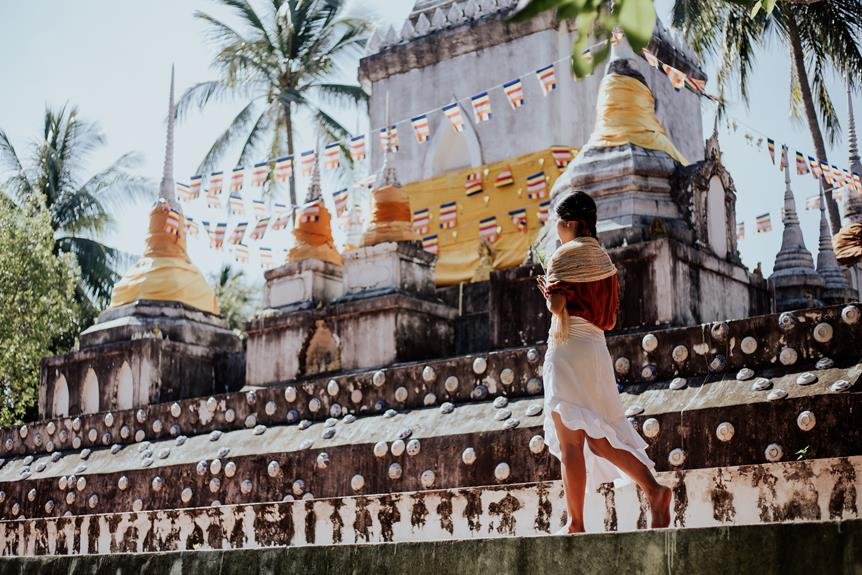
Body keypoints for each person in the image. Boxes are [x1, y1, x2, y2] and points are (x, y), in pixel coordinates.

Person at [536, 191, 671, 533]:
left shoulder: (562, 257)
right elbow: (609, 320)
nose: (557, 231)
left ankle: (576, 521)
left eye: (558, 224)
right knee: (599, 438)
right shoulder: (606, 263)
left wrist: (550, 296)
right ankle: (653, 489)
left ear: (567, 223)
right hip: (596, 350)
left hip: (567, 349)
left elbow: (557, 308)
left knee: (571, 444)